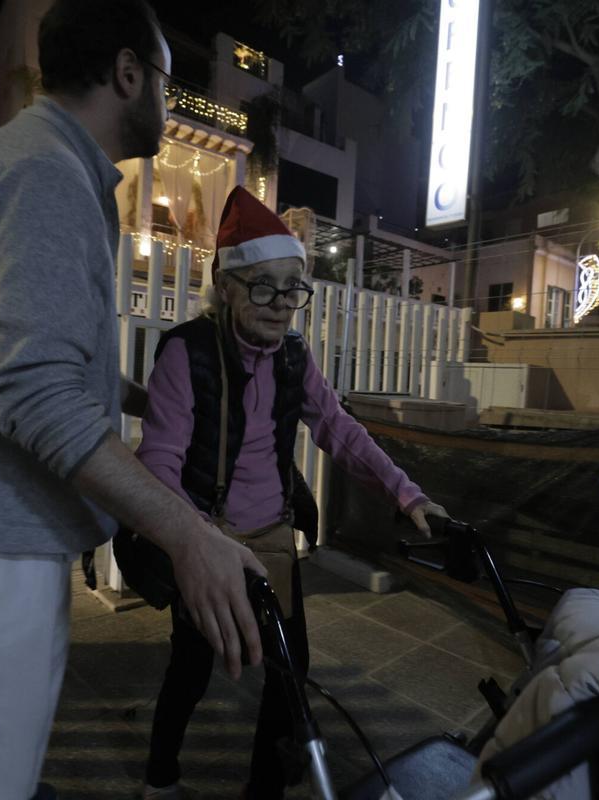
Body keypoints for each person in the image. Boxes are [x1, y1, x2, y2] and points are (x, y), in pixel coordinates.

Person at [0, 2, 266, 798]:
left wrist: (145, 396)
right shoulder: (46, 174)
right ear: (127, 74)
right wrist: (190, 536)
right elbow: (34, 392)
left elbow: (24, 354)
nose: (169, 100)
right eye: (166, 80)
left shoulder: (34, 159)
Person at [138, 186, 449, 799]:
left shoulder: (293, 357)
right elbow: (159, 464)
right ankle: (160, 776)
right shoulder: (186, 352)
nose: (281, 305)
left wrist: (408, 495)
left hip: (274, 534)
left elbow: (338, 428)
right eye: (262, 285)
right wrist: (188, 545)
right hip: (206, 536)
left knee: (289, 672)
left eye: (292, 287)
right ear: (224, 286)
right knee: (192, 667)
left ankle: (266, 788)